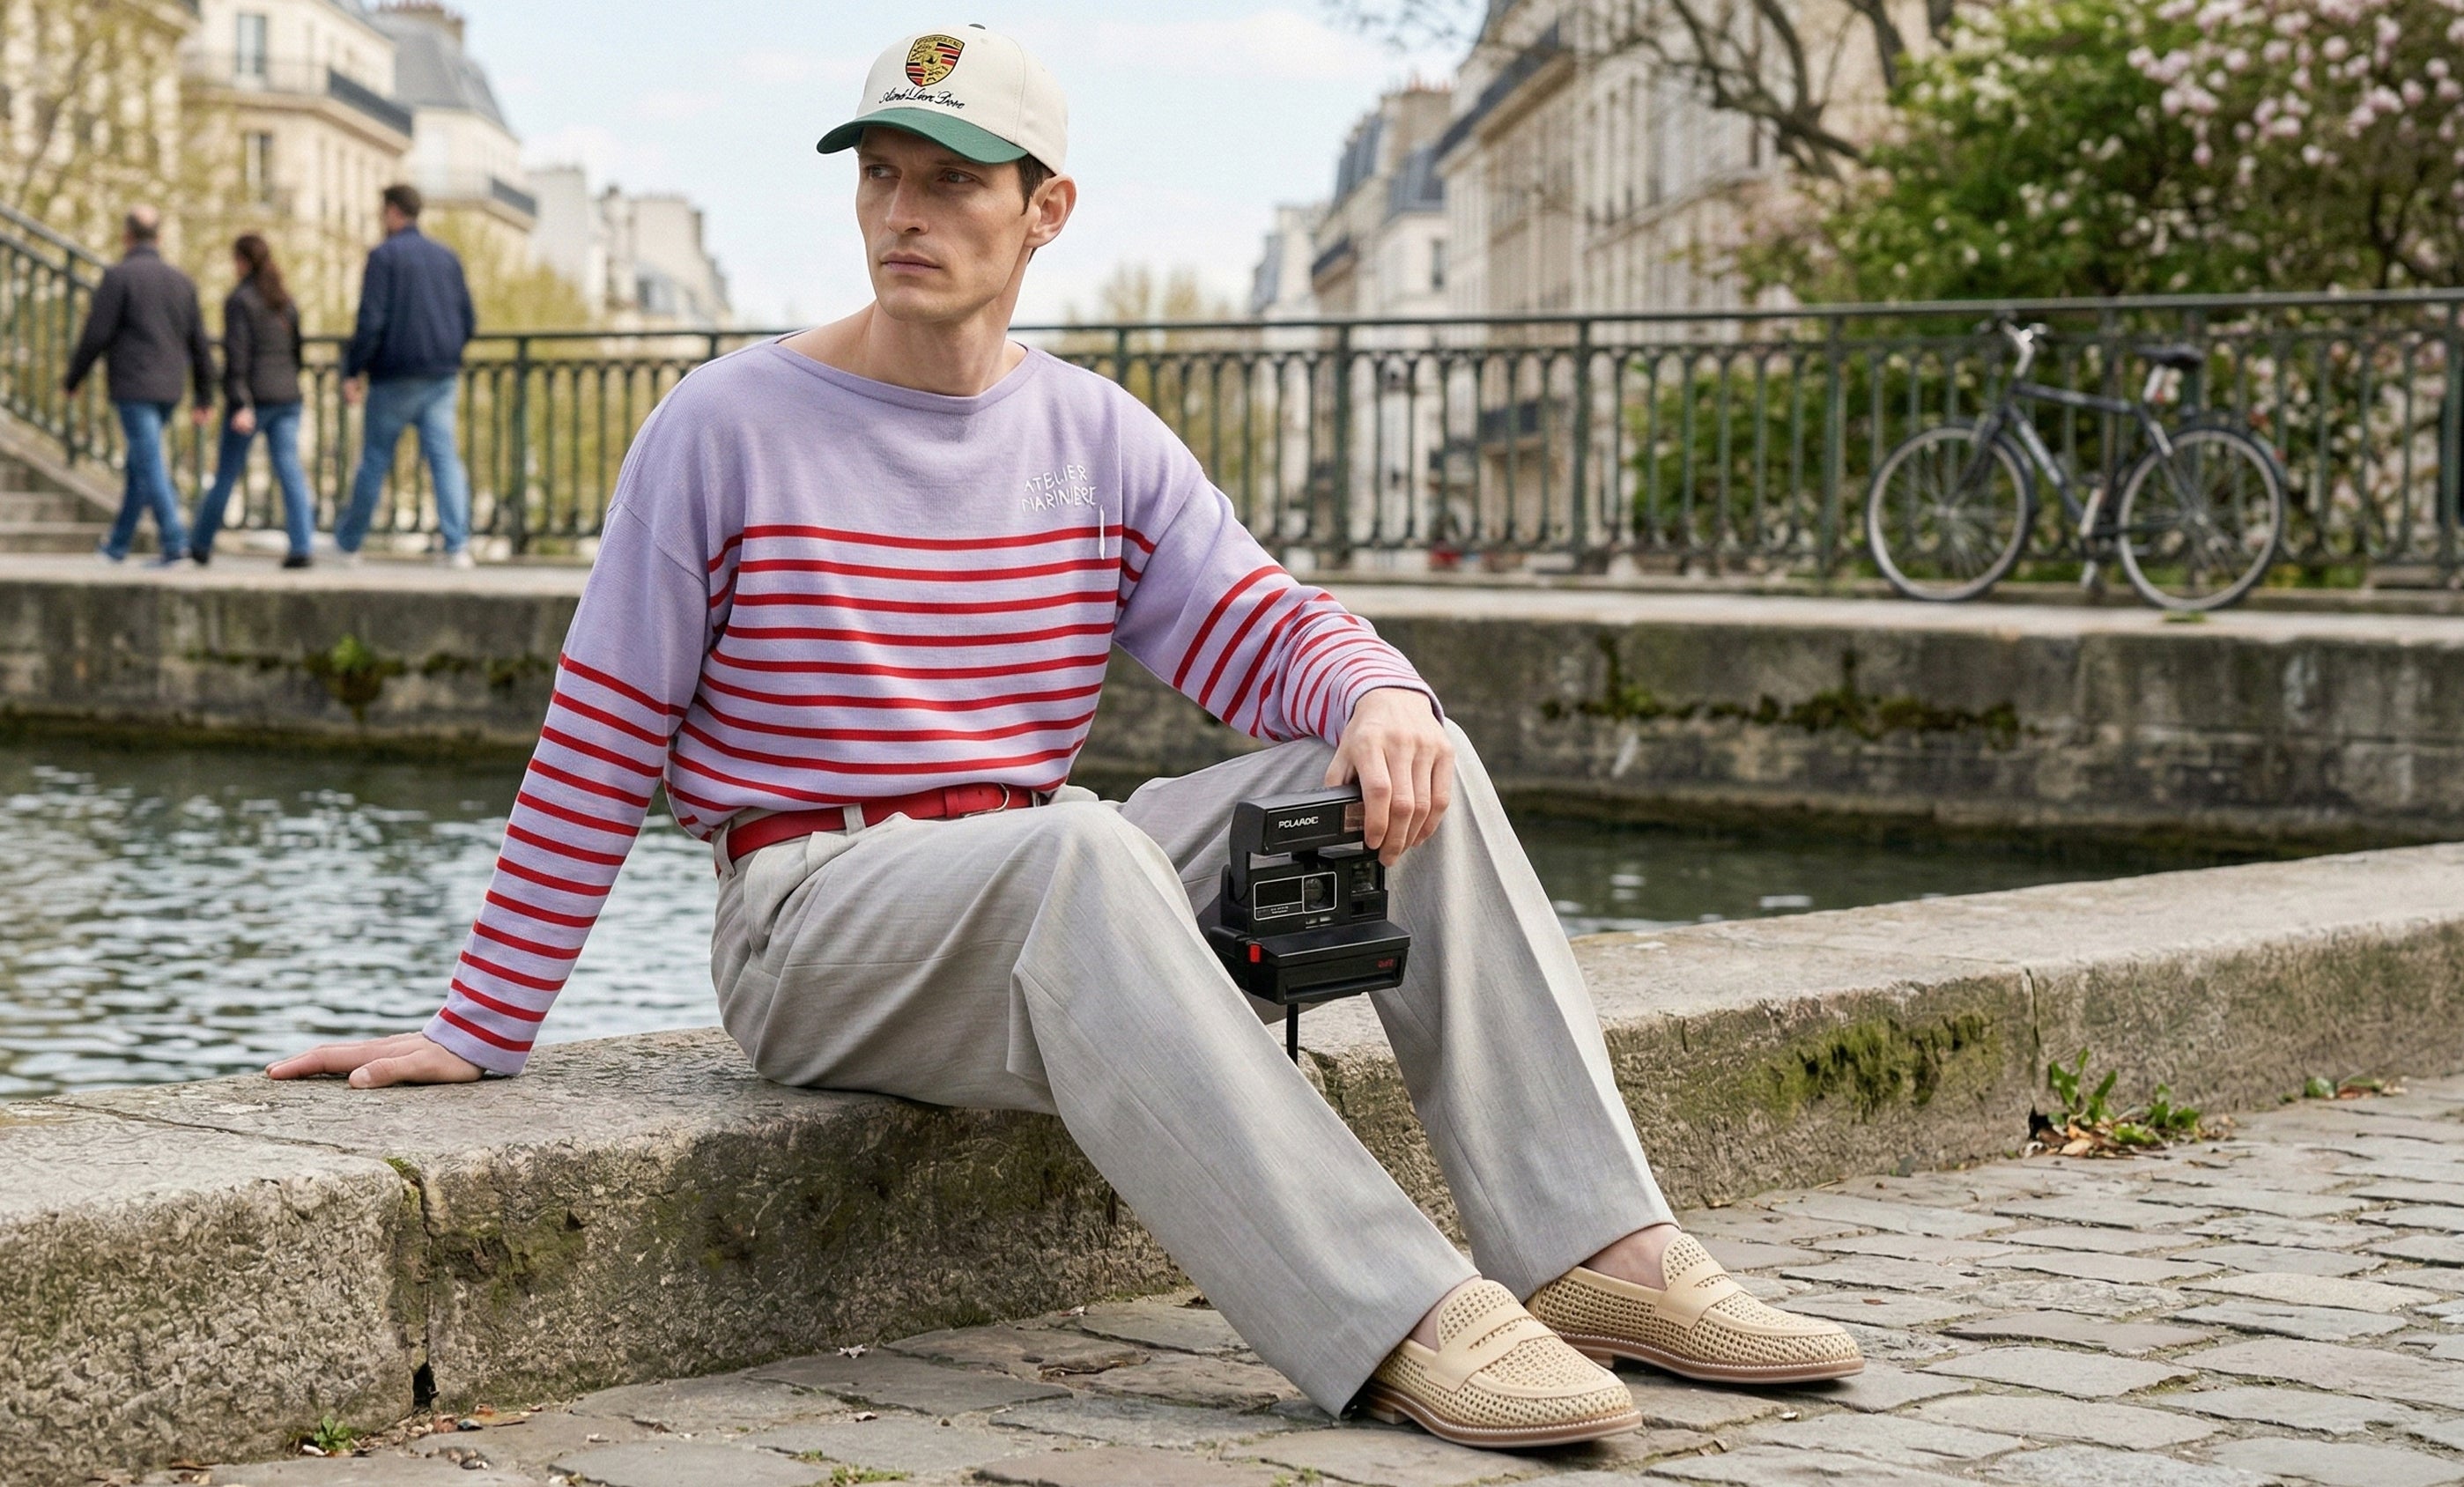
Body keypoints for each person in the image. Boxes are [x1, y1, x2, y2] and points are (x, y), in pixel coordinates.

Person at [267, 26, 1861, 1451]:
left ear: (1045, 211)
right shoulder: (724, 424)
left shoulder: (1095, 435)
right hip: (813, 920)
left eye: (953, 181)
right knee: (1078, 845)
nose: (903, 212)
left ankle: (1595, 1251)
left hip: (1045, 890)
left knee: (1405, 769)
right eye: (880, 174)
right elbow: (604, 727)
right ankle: (1395, 1315)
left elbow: (1269, 628)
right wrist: (481, 1022)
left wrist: (1381, 696)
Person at [62, 205, 212, 567]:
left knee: (149, 462)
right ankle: (117, 546)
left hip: (134, 384)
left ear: (126, 237)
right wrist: (204, 394)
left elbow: (96, 334)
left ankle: (175, 541)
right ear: (159, 238)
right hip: (170, 387)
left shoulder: (119, 277)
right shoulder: (182, 281)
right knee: (139, 464)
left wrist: (73, 378)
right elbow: (199, 343)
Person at [336, 183, 476, 568]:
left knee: (374, 460)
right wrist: (448, 352)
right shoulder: (447, 257)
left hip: (394, 376)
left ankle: (349, 544)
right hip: (441, 375)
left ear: (393, 212)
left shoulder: (384, 256)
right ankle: (457, 546)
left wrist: (353, 370)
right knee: (444, 459)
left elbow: (370, 321)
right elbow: (468, 320)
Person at [190, 234, 314, 568]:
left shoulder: (240, 300)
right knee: (290, 469)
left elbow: (237, 356)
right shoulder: (284, 299)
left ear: (242, 261)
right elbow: (297, 352)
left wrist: (240, 402)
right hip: (288, 396)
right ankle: (302, 545)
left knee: (227, 472)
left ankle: (200, 543)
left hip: (253, 399)